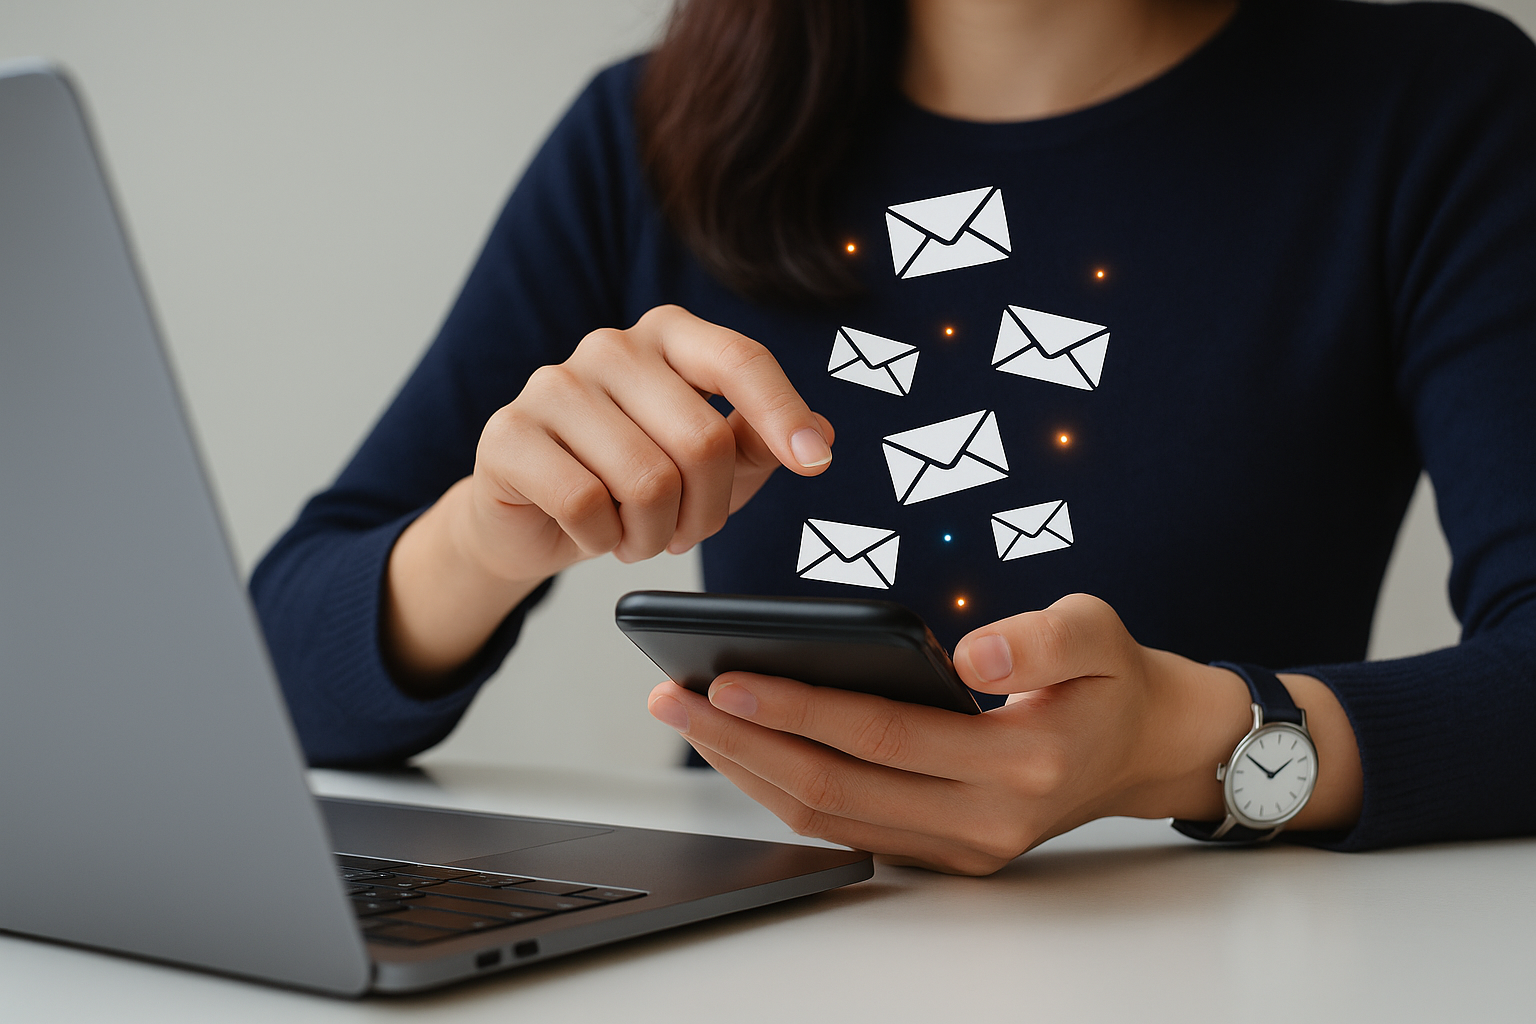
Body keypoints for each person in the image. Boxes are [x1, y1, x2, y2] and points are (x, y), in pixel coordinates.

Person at [252, 0, 1536, 873]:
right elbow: (271, 674)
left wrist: (1195, 743)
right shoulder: (649, 134)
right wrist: (486, 535)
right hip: (760, 941)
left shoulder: (1431, 104)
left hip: (1233, 953)